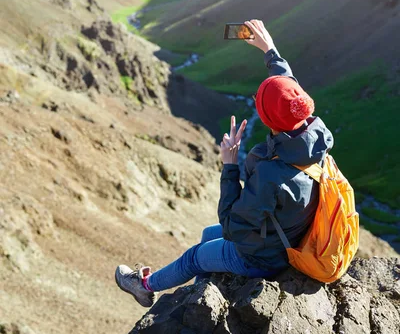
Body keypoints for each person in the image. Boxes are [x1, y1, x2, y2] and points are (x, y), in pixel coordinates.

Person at [115, 19, 334, 307]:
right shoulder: (311, 136)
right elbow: (289, 92)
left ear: (268, 120)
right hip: (289, 235)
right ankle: (199, 298)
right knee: (208, 236)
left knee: (196, 256)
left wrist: (229, 165)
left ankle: (144, 286)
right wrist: (269, 50)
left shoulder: (271, 173)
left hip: (266, 256)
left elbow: (233, 228)